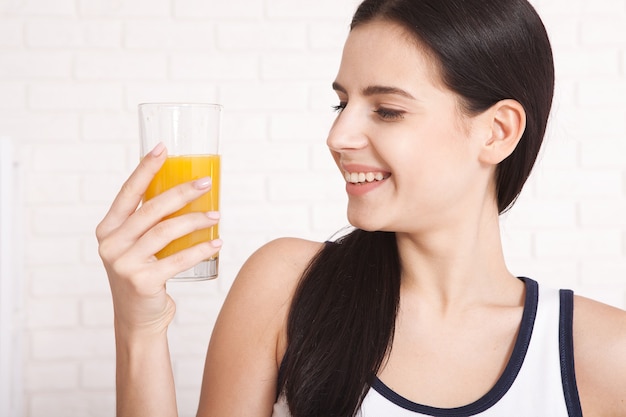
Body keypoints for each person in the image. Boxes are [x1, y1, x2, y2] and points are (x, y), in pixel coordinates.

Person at [96, 0, 626, 416]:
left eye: (388, 110)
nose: (338, 135)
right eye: (341, 103)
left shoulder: (603, 355)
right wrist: (139, 330)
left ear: (497, 131)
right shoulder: (285, 289)